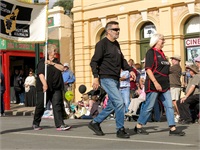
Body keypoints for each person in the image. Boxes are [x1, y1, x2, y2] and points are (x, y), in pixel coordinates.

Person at [89, 21, 136, 138]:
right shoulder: (102, 44)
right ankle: (120, 129)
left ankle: (95, 122)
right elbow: (94, 61)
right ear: (108, 31)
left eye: (118, 29)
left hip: (116, 79)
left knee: (113, 105)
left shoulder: (116, 44)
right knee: (120, 102)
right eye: (115, 29)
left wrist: (130, 70)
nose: (118, 31)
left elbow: (122, 61)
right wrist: (95, 77)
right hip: (106, 78)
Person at [134, 33, 185, 136]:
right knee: (149, 106)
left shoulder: (162, 53)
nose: (164, 41)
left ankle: (172, 128)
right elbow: (148, 69)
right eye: (162, 40)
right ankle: (138, 126)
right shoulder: (150, 52)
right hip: (154, 84)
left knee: (169, 106)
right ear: (156, 41)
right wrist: (155, 82)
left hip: (165, 85)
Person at [32, 44, 71, 131]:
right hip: (44, 88)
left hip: (56, 87)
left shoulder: (56, 62)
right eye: (54, 51)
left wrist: (52, 63)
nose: (55, 52)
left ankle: (60, 124)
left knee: (57, 105)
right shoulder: (42, 62)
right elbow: (40, 74)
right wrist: (44, 84)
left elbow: (62, 68)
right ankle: (36, 123)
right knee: (41, 105)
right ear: (49, 52)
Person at [169, 55, 182, 122]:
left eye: (173, 59)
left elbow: (166, 70)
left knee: (175, 102)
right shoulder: (175, 67)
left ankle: (179, 115)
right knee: (174, 101)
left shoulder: (175, 67)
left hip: (175, 86)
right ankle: (177, 115)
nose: (172, 60)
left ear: (177, 60)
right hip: (174, 86)